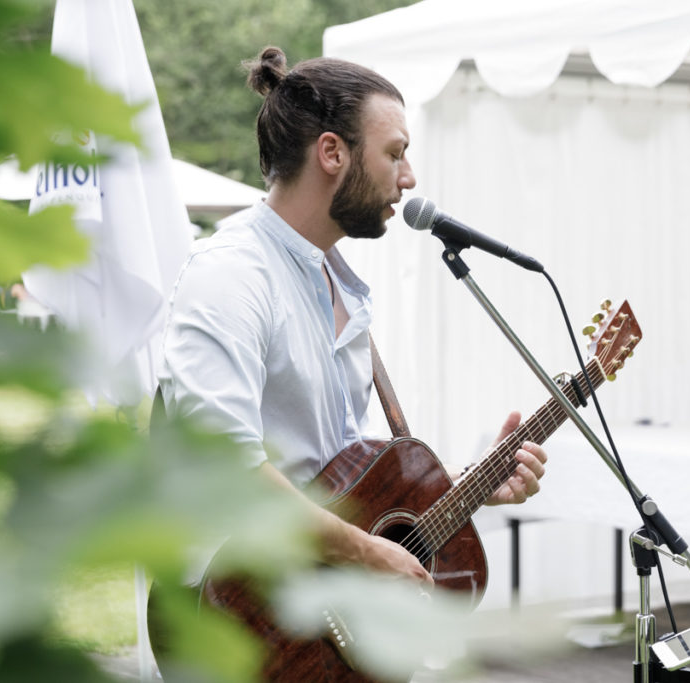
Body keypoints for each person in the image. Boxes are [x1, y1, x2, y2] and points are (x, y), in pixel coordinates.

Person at [157, 46, 547, 589]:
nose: (408, 178)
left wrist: (468, 487)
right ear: (332, 153)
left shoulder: (342, 284)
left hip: (321, 621)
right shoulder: (231, 275)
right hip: (236, 619)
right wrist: (365, 552)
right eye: (395, 153)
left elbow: (341, 484)